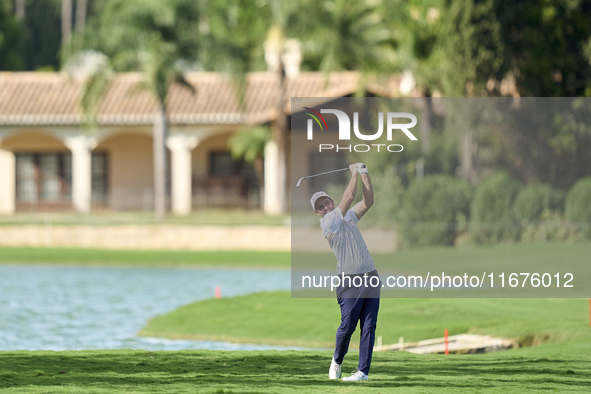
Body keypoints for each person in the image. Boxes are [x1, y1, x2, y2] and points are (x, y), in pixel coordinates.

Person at [310, 162, 380, 382]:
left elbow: (368, 202)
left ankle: (362, 372)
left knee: (368, 326)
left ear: (331, 200)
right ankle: (337, 361)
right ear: (318, 212)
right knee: (347, 326)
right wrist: (354, 174)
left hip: (370, 277)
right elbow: (349, 196)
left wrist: (364, 173)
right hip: (349, 283)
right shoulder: (328, 223)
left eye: (327, 202)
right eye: (321, 206)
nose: (326, 207)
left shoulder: (349, 217)